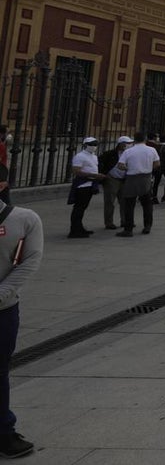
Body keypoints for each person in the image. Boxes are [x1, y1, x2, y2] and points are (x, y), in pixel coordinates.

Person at [0, 164, 43, 459]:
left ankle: (4, 431)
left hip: (3, 309)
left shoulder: (24, 219)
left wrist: (1, 294)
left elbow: (29, 260)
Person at [116, 132, 160, 237]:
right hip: (146, 178)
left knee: (129, 204)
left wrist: (129, 168)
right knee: (147, 204)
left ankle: (128, 229)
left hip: (131, 178)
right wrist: (148, 169)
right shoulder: (151, 150)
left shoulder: (128, 151)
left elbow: (120, 165)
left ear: (134, 140)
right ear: (145, 139)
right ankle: (147, 226)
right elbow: (157, 163)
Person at [67, 136, 103, 238]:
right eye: (91, 145)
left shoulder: (94, 156)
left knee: (83, 208)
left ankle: (79, 227)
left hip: (91, 184)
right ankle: (74, 230)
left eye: (95, 145)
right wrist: (94, 176)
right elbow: (76, 171)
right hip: (82, 185)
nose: (94, 147)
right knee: (79, 208)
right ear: (85, 145)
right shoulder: (80, 156)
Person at [99, 137, 130, 230]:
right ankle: (109, 222)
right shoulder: (110, 154)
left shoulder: (129, 154)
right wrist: (104, 174)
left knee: (124, 202)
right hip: (112, 179)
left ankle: (125, 221)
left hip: (124, 179)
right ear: (120, 144)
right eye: (126, 143)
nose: (127, 145)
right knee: (110, 202)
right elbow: (100, 163)